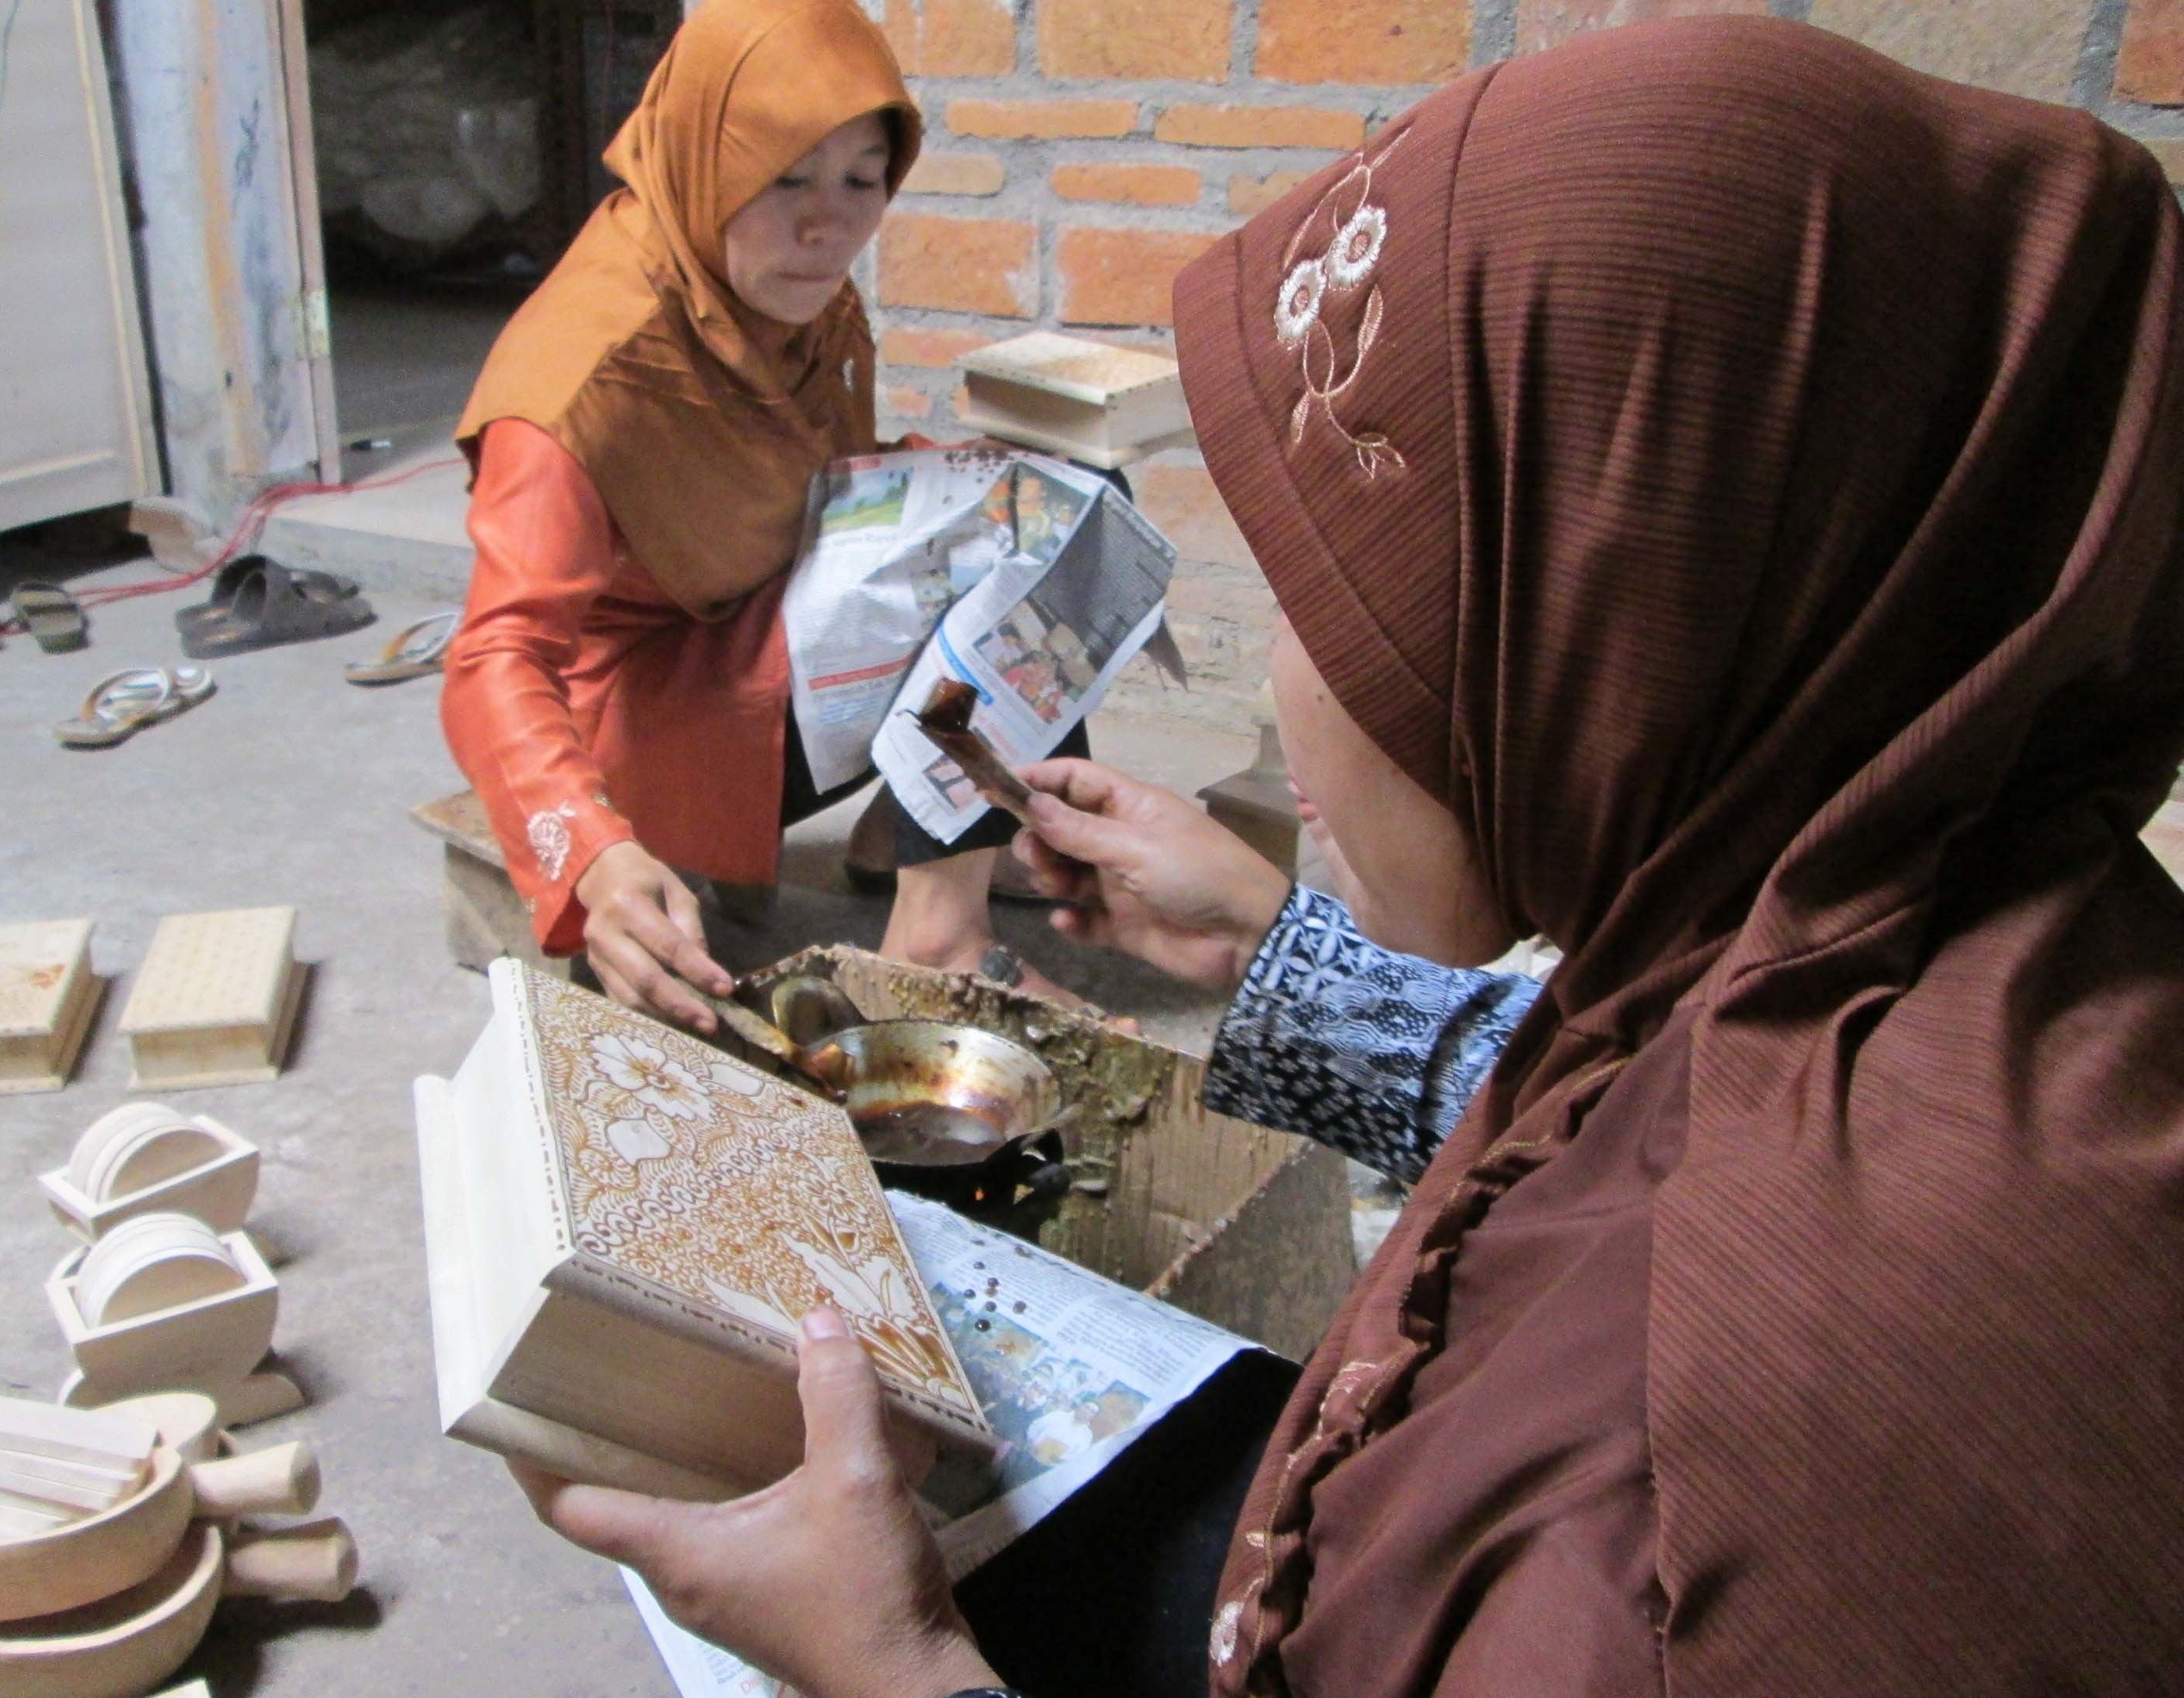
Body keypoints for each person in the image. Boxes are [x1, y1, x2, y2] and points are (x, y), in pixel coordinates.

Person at [503, 17, 2184, 1697]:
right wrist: (1281, 956)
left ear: (1619, 629)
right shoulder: (1919, 916)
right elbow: (1626, 1119)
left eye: (1340, 601)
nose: (1282, 684)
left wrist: (891, 1665)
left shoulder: (1686, 1545)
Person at [438, 0, 1081, 1032]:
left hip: (761, 627)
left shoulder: (776, 282)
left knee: (1063, 515)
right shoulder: (583, 381)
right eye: (783, 178)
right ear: (703, 156)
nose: (829, 226)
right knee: (1015, 557)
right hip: (648, 725)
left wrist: (968, 484)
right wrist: (586, 853)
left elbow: (822, 489)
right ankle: (940, 937)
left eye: (860, 180)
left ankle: (911, 833)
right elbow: (492, 661)